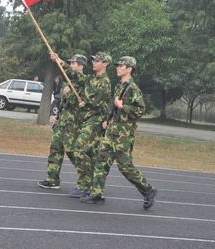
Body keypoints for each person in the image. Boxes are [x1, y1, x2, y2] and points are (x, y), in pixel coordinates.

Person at [81, 56, 157, 209]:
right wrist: (108, 119)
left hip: (123, 135)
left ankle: (148, 190)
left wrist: (123, 107)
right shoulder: (119, 86)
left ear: (129, 69)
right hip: (112, 131)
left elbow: (140, 110)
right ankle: (97, 194)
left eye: (121, 66)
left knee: (125, 168)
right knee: (101, 161)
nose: (117, 67)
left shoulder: (133, 88)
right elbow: (113, 107)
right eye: (118, 65)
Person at [65, 52, 112, 198]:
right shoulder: (91, 78)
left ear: (105, 64)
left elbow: (94, 102)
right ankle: (90, 183)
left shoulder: (105, 82)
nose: (94, 62)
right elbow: (77, 77)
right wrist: (59, 61)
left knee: (78, 148)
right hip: (87, 119)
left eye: (97, 61)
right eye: (94, 60)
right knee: (90, 153)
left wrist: (82, 100)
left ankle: (85, 184)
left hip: (95, 120)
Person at [38, 54, 87, 190]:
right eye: (70, 63)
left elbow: (77, 103)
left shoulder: (84, 81)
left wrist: (58, 60)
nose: (71, 65)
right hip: (63, 122)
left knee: (73, 153)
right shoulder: (68, 82)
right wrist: (57, 116)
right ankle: (52, 179)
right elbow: (63, 103)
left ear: (81, 66)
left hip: (73, 124)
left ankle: (87, 178)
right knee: (55, 149)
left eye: (74, 63)